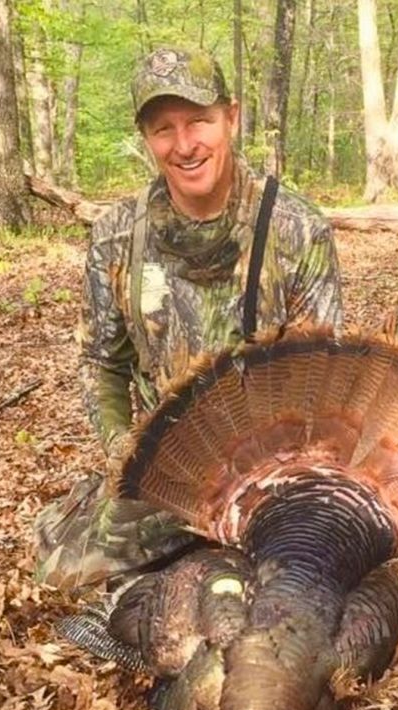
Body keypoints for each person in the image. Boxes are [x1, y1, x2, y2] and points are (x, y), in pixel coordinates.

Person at [34, 46, 345, 591]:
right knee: (66, 576)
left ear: (232, 117)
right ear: (146, 139)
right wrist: (124, 454)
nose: (184, 145)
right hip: (165, 477)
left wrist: (274, 480)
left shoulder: (296, 229)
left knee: (296, 589)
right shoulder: (115, 235)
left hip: (272, 474)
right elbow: (102, 362)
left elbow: (325, 381)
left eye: (199, 121)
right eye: (163, 129)